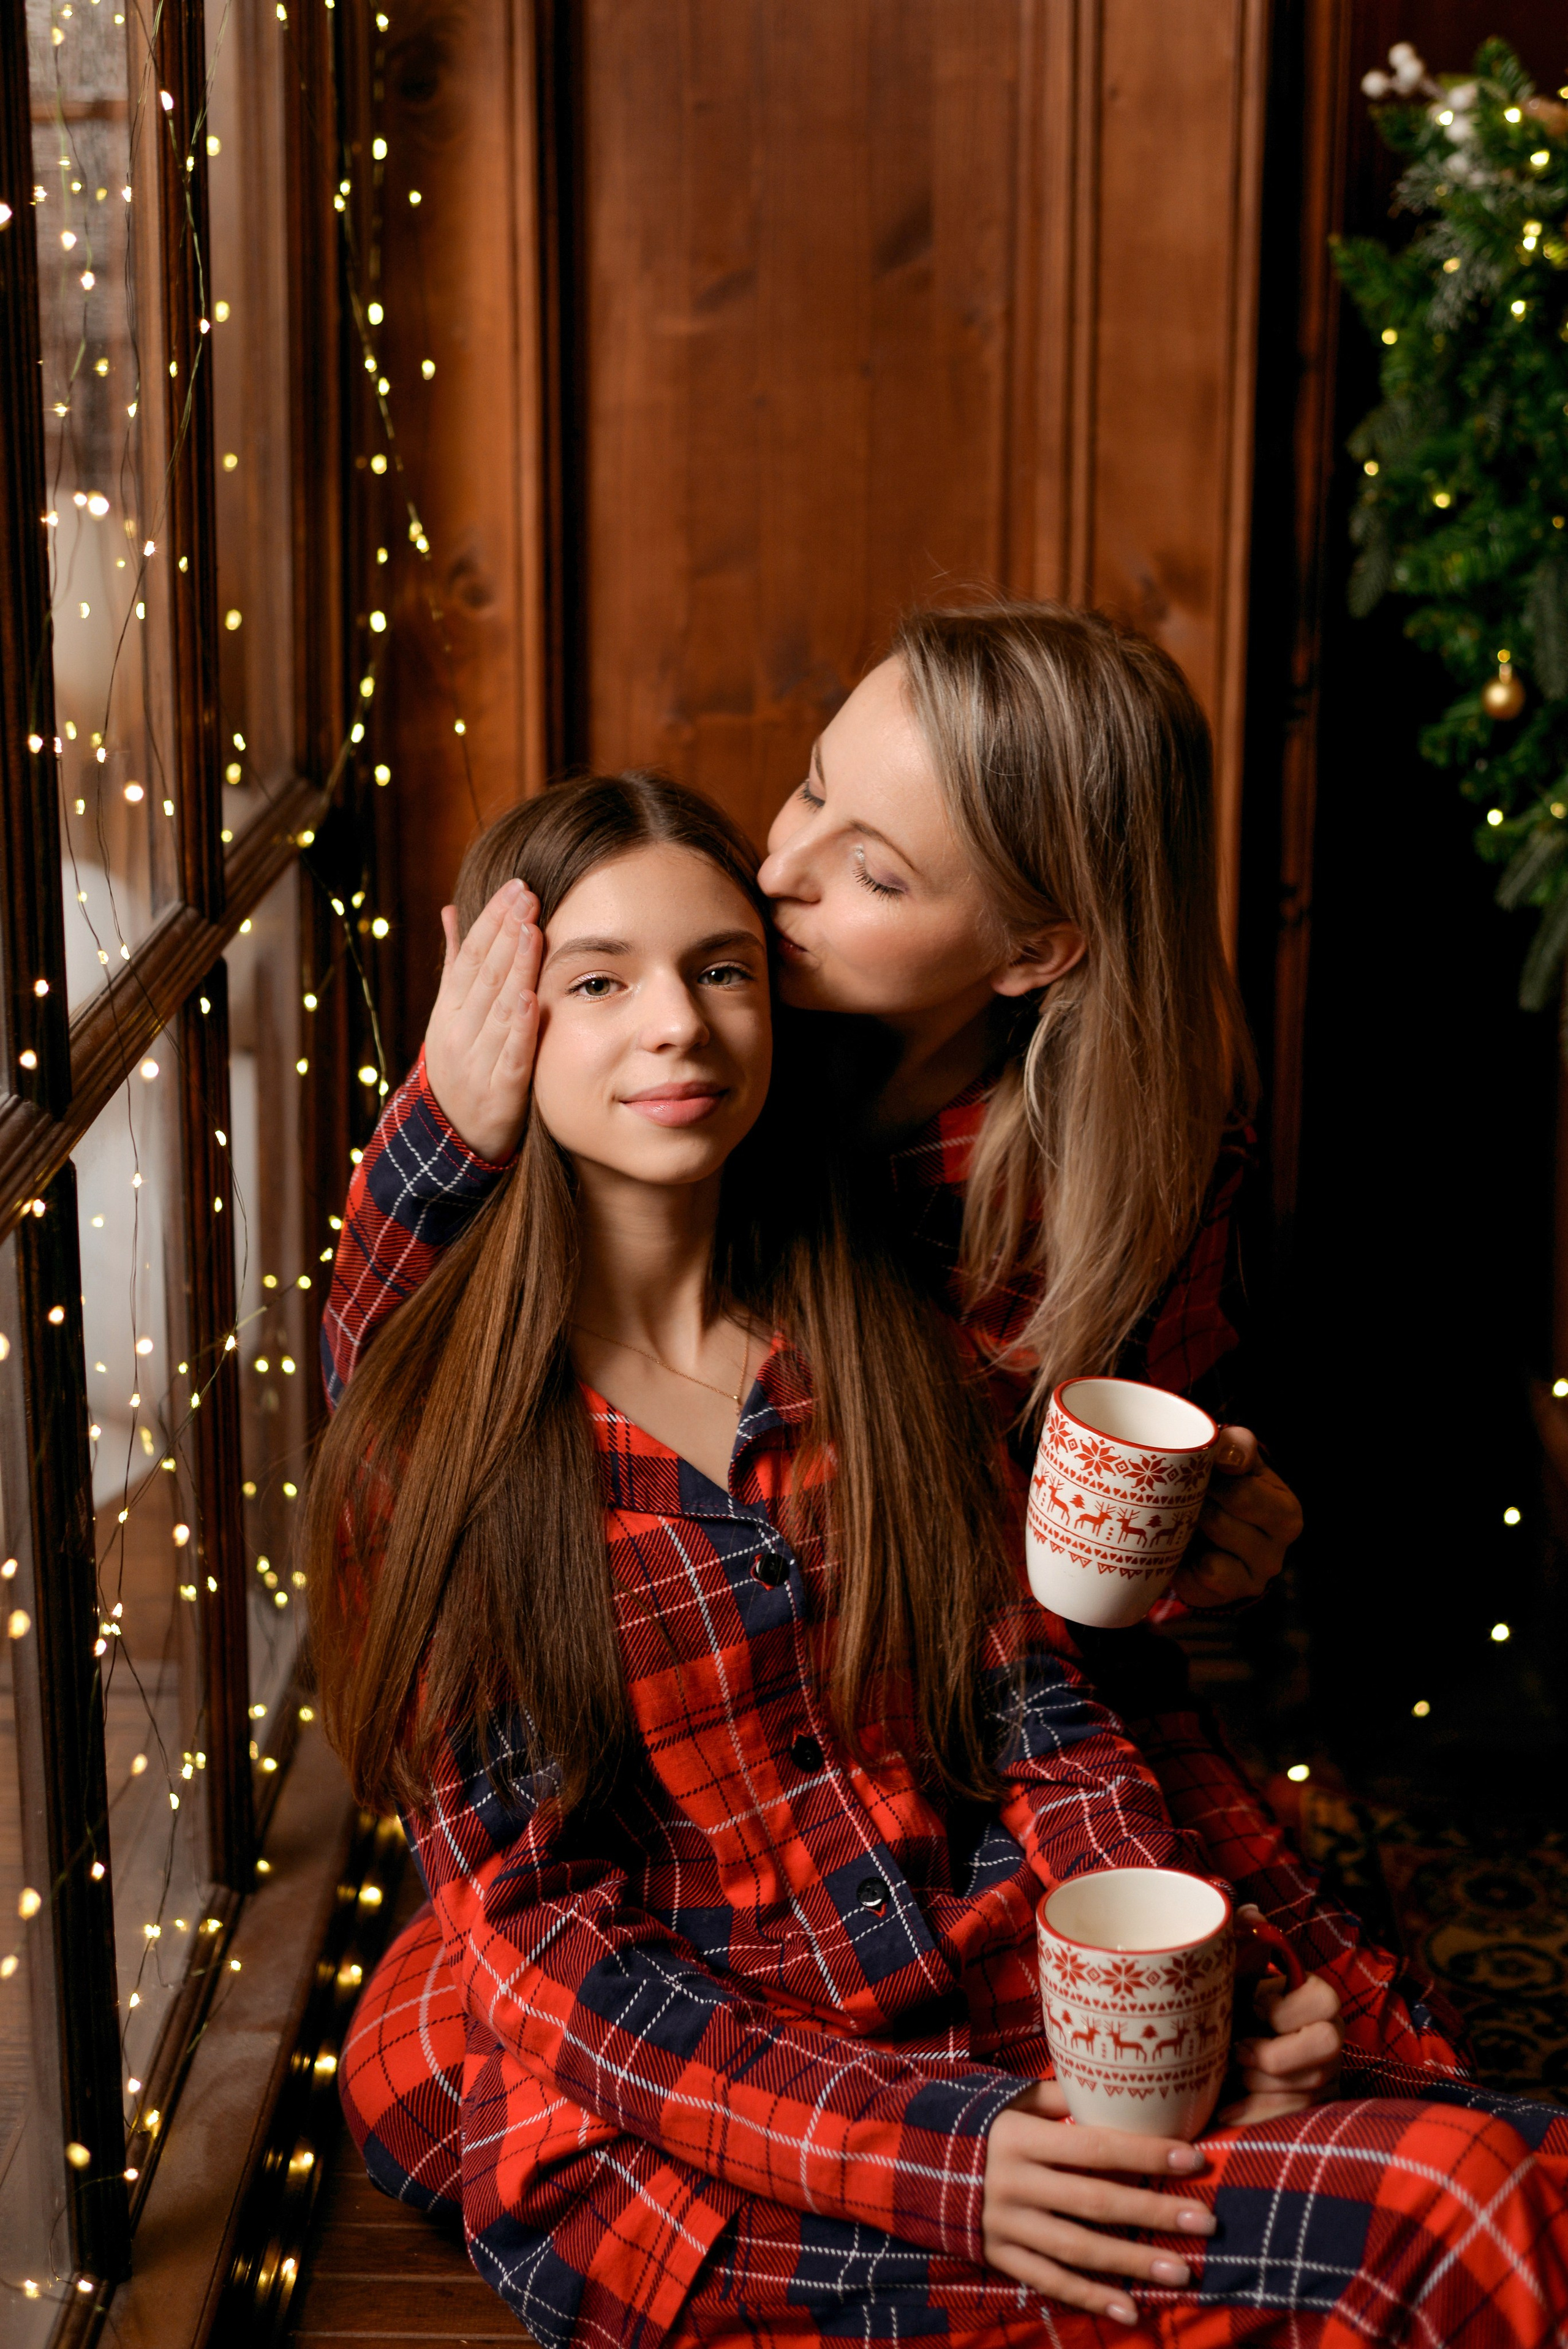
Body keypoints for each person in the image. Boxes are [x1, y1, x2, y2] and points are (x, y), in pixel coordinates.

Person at [311, 773, 1568, 2349]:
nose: (678, 1027)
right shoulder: (449, 1440)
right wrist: (957, 2162)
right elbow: (542, 1934)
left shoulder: (874, 1345)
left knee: (1506, 2178)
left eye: (720, 968)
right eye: (596, 981)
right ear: (501, 1032)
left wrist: (1160, 2013)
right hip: (764, 2102)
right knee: (1447, 2213)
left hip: (1000, 2009)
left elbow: (1040, 1716)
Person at [323, 602, 1469, 2094]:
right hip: (720, 1754)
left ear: (1031, 949)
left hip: (996, 1710)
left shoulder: (1137, 1173)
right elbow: (403, 1404)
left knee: (1336, 2082)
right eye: (809, 785)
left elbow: (1058, 1592)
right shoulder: (695, 1045)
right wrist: (448, 1129)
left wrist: (1196, 1538)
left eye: (872, 870)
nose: (778, 867)